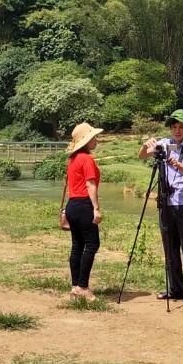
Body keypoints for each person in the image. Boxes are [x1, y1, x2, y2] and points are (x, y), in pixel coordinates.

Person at [138, 108, 183, 306]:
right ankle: (175, 289)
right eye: (174, 127)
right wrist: (145, 145)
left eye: (181, 127)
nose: (177, 131)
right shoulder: (164, 143)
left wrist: (178, 164)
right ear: (170, 128)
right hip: (166, 202)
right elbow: (142, 155)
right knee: (169, 247)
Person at [64, 121, 104, 300]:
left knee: (78, 246)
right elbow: (90, 184)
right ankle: (83, 286)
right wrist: (96, 208)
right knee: (92, 244)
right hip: (83, 204)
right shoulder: (86, 159)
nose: (96, 139)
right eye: (93, 137)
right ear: (86, 140)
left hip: (72, 205)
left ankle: (75, 286)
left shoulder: (73, 159)